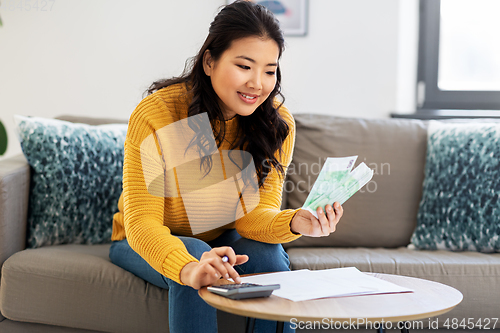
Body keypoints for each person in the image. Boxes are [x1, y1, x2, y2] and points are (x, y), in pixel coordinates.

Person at [109, 1, 343, 332]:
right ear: (209, 61)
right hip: (142, 238)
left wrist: (296, 222)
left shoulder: (276, 124)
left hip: (225, 233)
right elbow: (142, 222)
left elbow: (251, 219)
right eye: (245, 66)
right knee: (199, 258)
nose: (258, 84)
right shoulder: (157, 114)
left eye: (269, 70)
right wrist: (189, 269)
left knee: (270, 258)